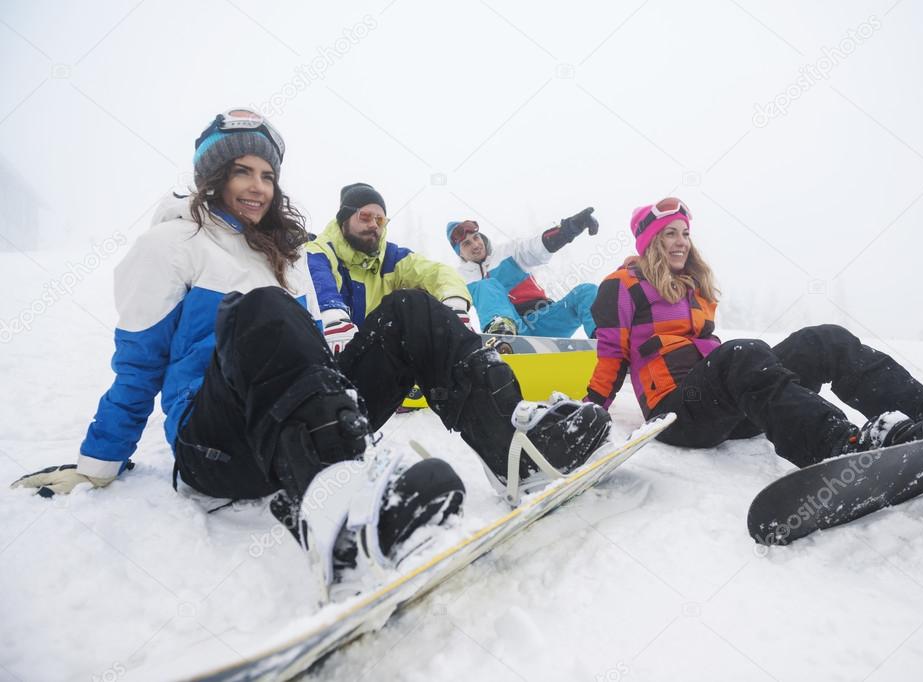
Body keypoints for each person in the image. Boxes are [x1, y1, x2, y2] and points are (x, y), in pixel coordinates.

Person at [10, 109, 611, 582]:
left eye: (267, 174)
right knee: (261, 309)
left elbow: (314, 361)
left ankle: (514, 453)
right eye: (242, 171)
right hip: (215, 446)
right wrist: (97, 467)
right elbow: (138, 368)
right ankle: (339, 520)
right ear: (212, 177)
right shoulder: (171, 247)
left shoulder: (283, 258)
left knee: (407, 311)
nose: (257, 186)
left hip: (300, 430)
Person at [586, 197, 923, 467]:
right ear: (648, 243)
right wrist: (588, 411)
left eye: (684, 233)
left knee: (823, 338)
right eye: (668, 235)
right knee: (742, 351)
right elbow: (611, 356)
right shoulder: (621, 286)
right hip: (679, 413)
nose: (680, 242)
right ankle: (839, 444)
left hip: (731, 409)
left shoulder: (694, 287)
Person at [308, 183, 473, 354]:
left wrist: (455, 306)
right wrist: (333, 318)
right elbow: (317, 276)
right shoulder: (319, 251)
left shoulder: (391, 258)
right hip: (323, 355)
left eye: (380, 220)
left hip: (374, 361)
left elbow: (435, 272)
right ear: (344, 220)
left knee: (410, 301)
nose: (373, 225)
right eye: (364, 216)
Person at [447, 207, 600, 338]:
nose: (475, 245)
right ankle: (502, 332)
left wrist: (571, 228)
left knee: (586, 291)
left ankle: (606, 339)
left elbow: (536, 248)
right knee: (486, 286)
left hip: (546, 319)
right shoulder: (459, 279)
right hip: (513, 332)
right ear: (459, 253)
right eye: (467, 243)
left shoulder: (508, 252)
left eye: (476, 237)